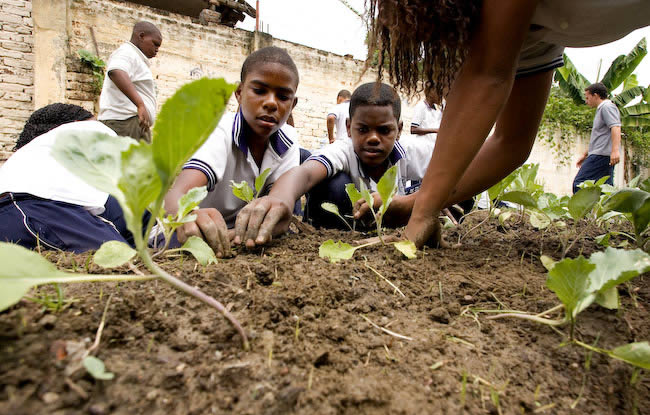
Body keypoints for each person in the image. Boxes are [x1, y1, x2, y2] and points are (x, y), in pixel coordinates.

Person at [363, 0, 650, 248]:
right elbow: (510, 142)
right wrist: (417, 205)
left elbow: (487, 75)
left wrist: (423, 212)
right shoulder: (532, 34)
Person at [232, 82, 436, 248]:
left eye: (384, 130)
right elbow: (306, 174)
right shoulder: (344, 150)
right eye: (363, 129)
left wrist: (408, 202)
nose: (373, 138)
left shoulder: (412, 151)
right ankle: (324, 230)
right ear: (348, 127)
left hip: (390, 228)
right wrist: (278, 200)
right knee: (334, 184)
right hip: (350, 228)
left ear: (399, 130)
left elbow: (451, 180)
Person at [163, 46, 300, 258]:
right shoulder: (219, 131)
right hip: (203, 233)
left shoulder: (289, 140)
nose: (271, 103)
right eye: (259, 91)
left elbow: (280, 211)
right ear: (239, 93)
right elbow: (177, 194)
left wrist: (239, 234)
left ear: (293, 104)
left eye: (283, 97)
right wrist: (186, 216)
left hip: (241, 233)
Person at [0, 104, 134, 252]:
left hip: (11, 216)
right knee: (121, 258)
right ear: (76, 124)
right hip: (42, 210)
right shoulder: (87, 128)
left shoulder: (28, 159)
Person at [98, 21, 162, 143]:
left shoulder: (135, 57)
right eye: (155, 44)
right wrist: (140, 105)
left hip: (132, 123)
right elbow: (116, 72)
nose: (157, 50)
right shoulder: (127, 52)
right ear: (141, 36)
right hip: (125, 122)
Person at [572, 83, 621, 193]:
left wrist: (615, 151)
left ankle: (583, 205)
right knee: (605, 189)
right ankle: (607, 205)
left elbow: (616, 127)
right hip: (601, 155)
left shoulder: (607, 107)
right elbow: (599, 137)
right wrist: (586, 155)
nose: (586, 101)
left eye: (587, 97)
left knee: (579, 183)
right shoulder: (602, 109)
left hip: (601, 155)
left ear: (596, 95)